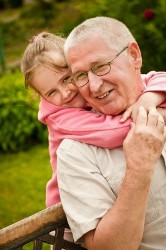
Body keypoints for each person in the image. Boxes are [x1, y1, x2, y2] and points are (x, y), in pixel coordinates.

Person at [21, 31, 166, 209]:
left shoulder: (95, 86)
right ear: (42, 96)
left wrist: (148, 99)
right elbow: (112, 133)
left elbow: (156, 78)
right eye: (52, 92)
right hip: (70, 210)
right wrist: (157, 113)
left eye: (67, 79)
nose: (65, 93)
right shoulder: (58, 117)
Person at [55, 16, 166, 249]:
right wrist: (139, 168)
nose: (94, 86)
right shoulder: (75, 152)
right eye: (81, 75)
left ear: (134, 56)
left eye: (100, 67)